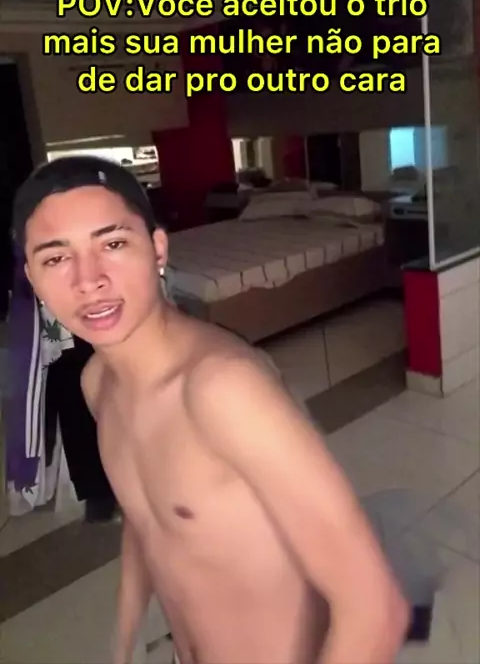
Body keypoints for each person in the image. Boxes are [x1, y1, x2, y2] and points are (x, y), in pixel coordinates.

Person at [14, 155, 410, 664]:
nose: (88, 280)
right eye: (55, 258)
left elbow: (377, 610)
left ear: (158, 248)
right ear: (32, 277)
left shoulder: (223, 390)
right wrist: (124, 635)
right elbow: (147, 516)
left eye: (113, 244)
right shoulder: (97, 382)